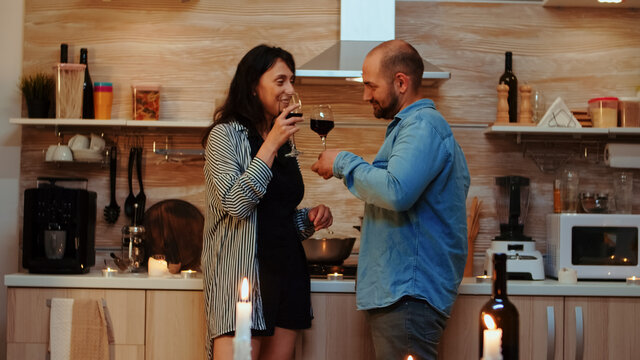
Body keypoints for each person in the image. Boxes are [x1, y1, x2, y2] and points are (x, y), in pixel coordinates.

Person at [311, 40, 470, 359]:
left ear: (401, 82)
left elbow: (396, 191)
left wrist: (343, 161)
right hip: (402, 295)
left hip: (408, 294)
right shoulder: (410, 129)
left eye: (370, 85)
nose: (365, 95)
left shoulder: (422, 127)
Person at [202, 44, 333, 360]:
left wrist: (308, 220)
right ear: (252, 85)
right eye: (280, 81)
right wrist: (271, 144)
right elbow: (236, 203)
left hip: (287, 274)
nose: (290, 89)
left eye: (292, 80)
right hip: (244, 280)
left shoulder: (284, 139)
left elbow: (275, 215)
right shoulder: (225, 135)